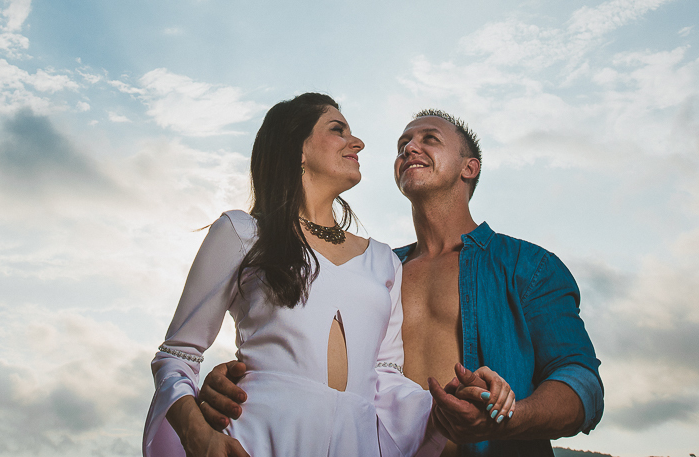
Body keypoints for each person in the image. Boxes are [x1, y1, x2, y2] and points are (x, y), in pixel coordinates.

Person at [197, 109, 604, 456]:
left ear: (469, 167)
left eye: (430, 139)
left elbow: (581, 383)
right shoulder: (378, 271)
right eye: (402, 143)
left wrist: (505, 418)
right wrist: (242, 380)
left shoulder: (528, 266)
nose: (410, 148)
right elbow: (323, 369)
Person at [143, 94, 517, 457]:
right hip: (258, 437)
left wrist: (453, 399)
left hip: (355, 444)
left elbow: (385, 378)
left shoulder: (383, 260)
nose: (358, 142)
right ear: (298, 148)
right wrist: (198, 435)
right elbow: (177, 353)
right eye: (338, 129)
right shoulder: (242, 232)